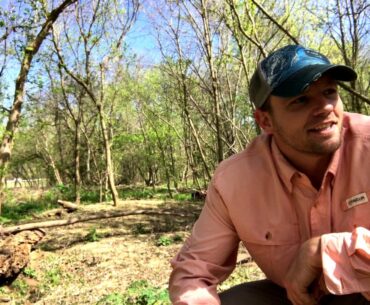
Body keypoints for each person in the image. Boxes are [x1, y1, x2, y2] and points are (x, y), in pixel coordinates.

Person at [168, 45, 370, 305]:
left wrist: (325, 251)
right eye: (301, 100)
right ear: (265, 121)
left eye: (329, 92)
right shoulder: (235, 182)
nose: (325, 107)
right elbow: (193, 273)